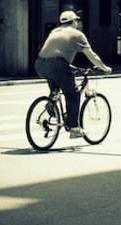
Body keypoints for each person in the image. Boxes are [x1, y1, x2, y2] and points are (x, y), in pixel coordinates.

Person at [35, 10, 112, 139]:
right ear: (74, 22)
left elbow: (55, 53)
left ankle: (51, 105)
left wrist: (68, 66)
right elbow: (91, 56)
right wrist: (104, 68)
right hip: (57, 65)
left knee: (56, 91)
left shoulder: (54, 32)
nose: (78, 23)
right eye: (77, 21)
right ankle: (74, 128)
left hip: (40, 64)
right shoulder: (77, 34)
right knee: (73, 93)